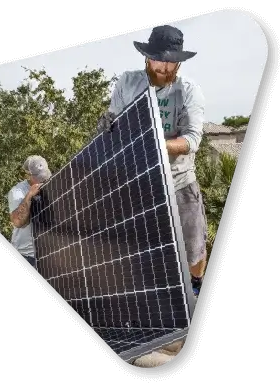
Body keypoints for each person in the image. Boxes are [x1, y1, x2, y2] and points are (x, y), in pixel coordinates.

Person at [97, 25, 207, 296]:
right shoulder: (128, 82)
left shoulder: (189, 91)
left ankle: (195, 285)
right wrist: (108, 123)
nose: (164, 67)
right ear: (147, 56)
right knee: (141, 249)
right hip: (139, 183)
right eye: (159, 59)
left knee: (193, 248)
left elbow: (192, 140)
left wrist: (154, 143)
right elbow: (115, 122)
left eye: (171, 61)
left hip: (179, 182)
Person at [7, 155, 52, 269]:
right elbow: (18, 222)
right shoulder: (18, 191)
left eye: (44, 175)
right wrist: (29, 196)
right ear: (29, 175)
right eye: (38, 177)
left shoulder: (50, 185)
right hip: (26, 255)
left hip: (46, 254)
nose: (43, 179)